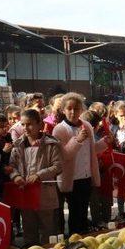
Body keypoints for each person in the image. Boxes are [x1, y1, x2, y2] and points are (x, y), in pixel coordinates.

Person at [53, 93, 108, 235]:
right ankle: (74, 241)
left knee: (83, 212)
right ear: (63, 110)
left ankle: (84, 241)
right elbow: (64, 156)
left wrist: (105, 143)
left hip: (86, 176)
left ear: (82, 110)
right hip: (71, 179)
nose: (73, 112)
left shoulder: (87, 125)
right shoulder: (59, 129)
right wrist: (77, 140)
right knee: (75, 214)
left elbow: (91, 149)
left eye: (77, 109)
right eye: (69, 108)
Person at [8, 109, 62, 246]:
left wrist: (39, 174)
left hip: (45, 193)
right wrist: (16, 177)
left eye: (30, 124)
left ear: (40, 124)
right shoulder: (18, 145)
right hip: (26, 193)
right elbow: (11, 166)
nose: (26, 128)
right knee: (28, 227)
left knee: (48, 229)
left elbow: (58, 166)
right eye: (23, 124)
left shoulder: (51, 144)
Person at [81, 110, 112, 228]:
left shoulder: (96, 135)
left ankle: (101, 221)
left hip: (101, 173)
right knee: (95, 199)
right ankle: (99, 222)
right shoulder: (86, 137)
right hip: (93, 173)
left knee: (101, 199)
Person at [0, 113, 12, 201]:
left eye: (6, 126)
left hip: (6, 181)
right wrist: (3, 152)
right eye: (1, 126)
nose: (5, 129)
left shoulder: (7, 138)